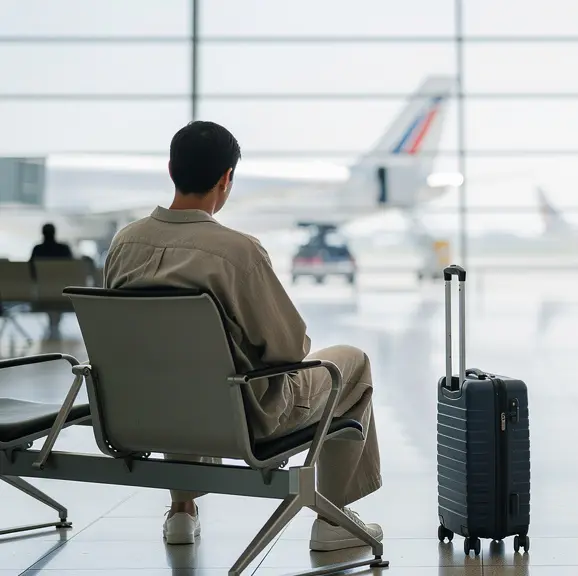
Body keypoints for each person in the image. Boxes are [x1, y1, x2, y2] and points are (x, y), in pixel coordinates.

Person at [102, 121, 382, 551]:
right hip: (242, 417)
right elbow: (290, 348)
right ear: (226, 178)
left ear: (171, 169)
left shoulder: (124, 244)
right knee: (353, 362)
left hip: (145, 411)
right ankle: (333, 519)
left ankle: (181, 511)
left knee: (176, 372)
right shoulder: (237, 251)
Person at [29, 223, 74, 338]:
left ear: (42, 233)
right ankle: (54, 323)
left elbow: (31, 272)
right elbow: (72, 270)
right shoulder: (64, 249)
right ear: (55, 233)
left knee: (49, 291)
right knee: (57, 291)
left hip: (42, 293)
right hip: (63, 291)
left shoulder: (37, 250)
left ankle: (52, 323)